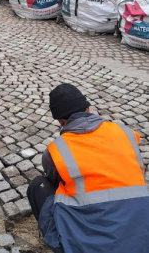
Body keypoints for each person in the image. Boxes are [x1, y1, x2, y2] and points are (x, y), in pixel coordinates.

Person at [27, 83, 149, 253]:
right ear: (88, 109)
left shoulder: (57, 149)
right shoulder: (125, 132)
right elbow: (139, 171)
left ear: (61, 121)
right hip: (142, 236)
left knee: (39, 186)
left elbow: (54, 181)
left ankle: (62, 243)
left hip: (89, 246)